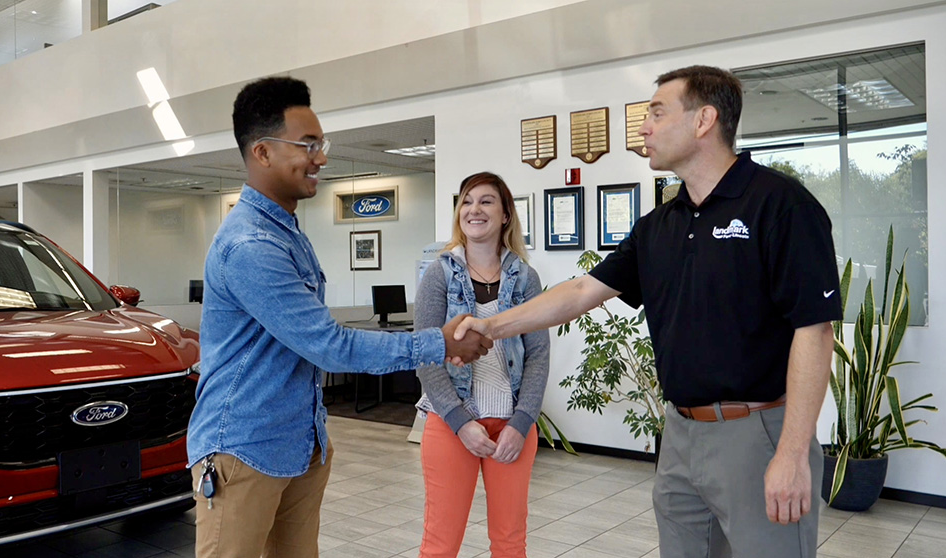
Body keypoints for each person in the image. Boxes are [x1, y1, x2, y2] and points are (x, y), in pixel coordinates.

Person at [454, 66, 841, 558]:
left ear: (704, 120)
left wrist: (792, 452)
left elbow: (814, 329)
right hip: (679, 434)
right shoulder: (660, 224)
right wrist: (490, 325)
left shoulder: (780, 205)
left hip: (759, 433)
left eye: (657, 113)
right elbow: (579, 292)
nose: (643, 127)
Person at [186, 76, 491, 558]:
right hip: (244, 451)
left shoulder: (287, 233)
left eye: (321, 143)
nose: (321, 157)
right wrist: (441, 342)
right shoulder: (251, 245)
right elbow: (329, 346)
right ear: (262, 152)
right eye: (307, 145)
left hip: (299, 446)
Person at [413, 172, 550, 558]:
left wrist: (522, 424)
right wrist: (460, 422)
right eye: (467, 201)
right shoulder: (438, 275)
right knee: (440, 544)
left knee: (510, 543)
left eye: (487, 201)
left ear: (506, 214)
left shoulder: (525, 278)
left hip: (512, 426)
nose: (475, 209)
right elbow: (426, 353)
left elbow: (539, 355)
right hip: (451, 424)